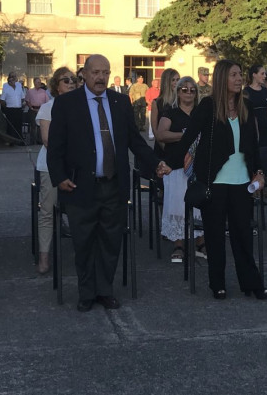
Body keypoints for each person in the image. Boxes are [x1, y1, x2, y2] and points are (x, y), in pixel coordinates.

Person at [47, 54, 170, 312]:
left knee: (110, 241)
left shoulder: (120, 102)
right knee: (83, 242)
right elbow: (55, 147)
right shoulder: (67, 104)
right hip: (80, 186)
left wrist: (154, 162)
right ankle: (86, 292)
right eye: (96, 72)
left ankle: (105, 290)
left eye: (105, 72)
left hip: (113, 185)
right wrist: (59, 178)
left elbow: (135, 141)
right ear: (84, 74)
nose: (101, 77)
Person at [172, 60, 267, 300]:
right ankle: (218, 283)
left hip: (242, 184)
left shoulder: (245, 106)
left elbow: (253, 147)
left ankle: (252, 283)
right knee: (215, 237)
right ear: (222, 78)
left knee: (243, 236)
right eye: (234, 75)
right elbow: (188, 139)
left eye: (240, 74)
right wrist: (165, 164)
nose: (239, 79)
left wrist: (259, 171)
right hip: (213, 184)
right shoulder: (208, 106)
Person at [156, 76, 205, 263]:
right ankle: (179, 244)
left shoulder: (201, 112)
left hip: (199, 166)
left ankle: (200, 242)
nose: (189, 93)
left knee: (201, 205)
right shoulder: (171, 112)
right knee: (177, 204)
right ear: (177, 92)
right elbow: (161, 134)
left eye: (192, 90)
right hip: (175, 166)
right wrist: (185, 135)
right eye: (184, 89)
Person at [34, 67, 77, 274]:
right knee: (47, 211)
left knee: (80, 211)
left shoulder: (82, 107)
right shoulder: (47, 108)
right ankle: (44, 256)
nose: (70, 82)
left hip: (77, 167)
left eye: (73, 79)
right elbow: (47, 140)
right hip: (50, 166)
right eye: (65, 80)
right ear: (56, 86)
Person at [150, 68, 180, 157]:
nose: (176, 83)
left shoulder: (182, 100)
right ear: (166, 82)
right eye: (173, 80)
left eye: (178, 80)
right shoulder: (157, 102)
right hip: (162, 148)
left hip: (180, 146)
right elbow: (155, 130)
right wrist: (165, 148)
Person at [244, 64, 267, 148]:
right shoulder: (246, 92)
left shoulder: (266, 91)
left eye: (265, 74)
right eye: (262, 74)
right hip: (253, 130)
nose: (265, 76)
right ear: (254, 75)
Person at [1, 71, 26, 142]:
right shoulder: (5, 86)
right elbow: (2, 99)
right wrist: (5, 108)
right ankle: (10, 140)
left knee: (18, 124)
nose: (13, 78)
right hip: (10, 109)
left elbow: (22, 96)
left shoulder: (19, 85)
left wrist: (23, 103)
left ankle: (19, 140)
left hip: (18, 108)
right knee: (10, 126)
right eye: (12, 77)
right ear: (9, 78)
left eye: (15, 76)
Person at [25, 76, 50, 144]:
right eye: (38, 82)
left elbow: (47, 101)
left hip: (41, 110)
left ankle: (40, 140)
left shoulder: (44, 92)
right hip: (33, 109)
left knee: (40, 126)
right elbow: (27, 101)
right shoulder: (30, 91)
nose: (39, 83)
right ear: (34, 83)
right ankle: (32, 141)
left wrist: (43, 109)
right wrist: (31, 108)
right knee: (33, 126)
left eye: (40, 82)